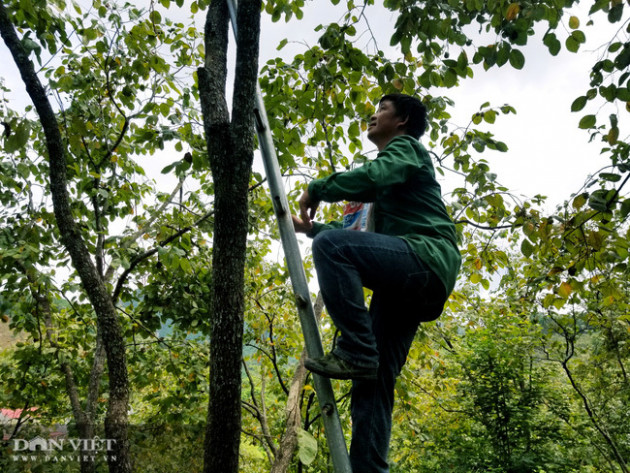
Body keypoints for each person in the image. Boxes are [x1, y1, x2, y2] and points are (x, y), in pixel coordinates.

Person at [292, 93, 461, 473]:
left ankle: (355, 349)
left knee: (333, 248)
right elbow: (356, 234)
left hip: (424, 258)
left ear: (402, 122)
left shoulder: (406, 150)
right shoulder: (388, 184)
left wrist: (317, 188)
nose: (373, 113)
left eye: (382, 109)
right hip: (406, 284)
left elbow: (373, 180)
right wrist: (313, 228)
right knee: (374, 381)